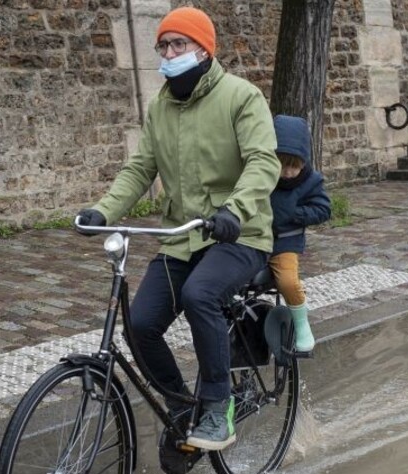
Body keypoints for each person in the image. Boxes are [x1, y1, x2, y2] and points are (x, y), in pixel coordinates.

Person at [75, 7, 280, 451]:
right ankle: (181, 406)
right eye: (163, 46)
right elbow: (140, 168)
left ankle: (216, 406)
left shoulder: (241, 97)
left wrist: (235, 210)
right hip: (182, 238)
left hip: (238, 235)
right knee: (140, 323)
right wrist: (103, 211)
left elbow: (264, 161)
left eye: (178, 44)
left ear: (204, 49)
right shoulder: (161, 106)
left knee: (199, 295)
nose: (168, 53)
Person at [268, 115, 331, 354]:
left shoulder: (310, 181)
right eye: (281, 164)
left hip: (285, 242)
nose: (287, 172)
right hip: (255, 240)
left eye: (294, 166)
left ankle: (302, 322)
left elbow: (323, 209)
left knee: (287, 281)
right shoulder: (262, 175)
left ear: (304, 162)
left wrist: (294, 213)